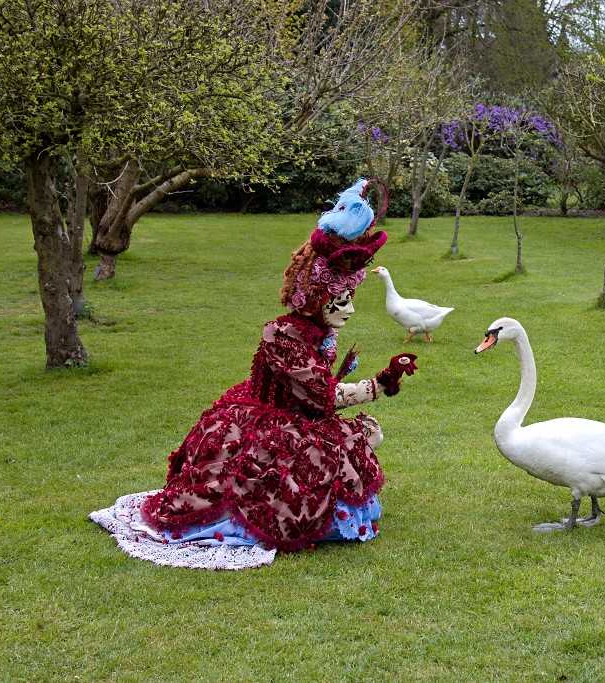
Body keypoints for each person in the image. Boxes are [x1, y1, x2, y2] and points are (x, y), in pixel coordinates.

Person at [91, 179, 417, 568]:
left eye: (349, 299)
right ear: (313, 297)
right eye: (339, 300)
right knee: (277, 469)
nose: (348, 310)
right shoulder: (282, 335)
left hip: (297, 417)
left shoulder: (319, 333)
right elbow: (323, 394)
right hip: (263, 420)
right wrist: (379, 384)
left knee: (338, 452)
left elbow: (316, 398)